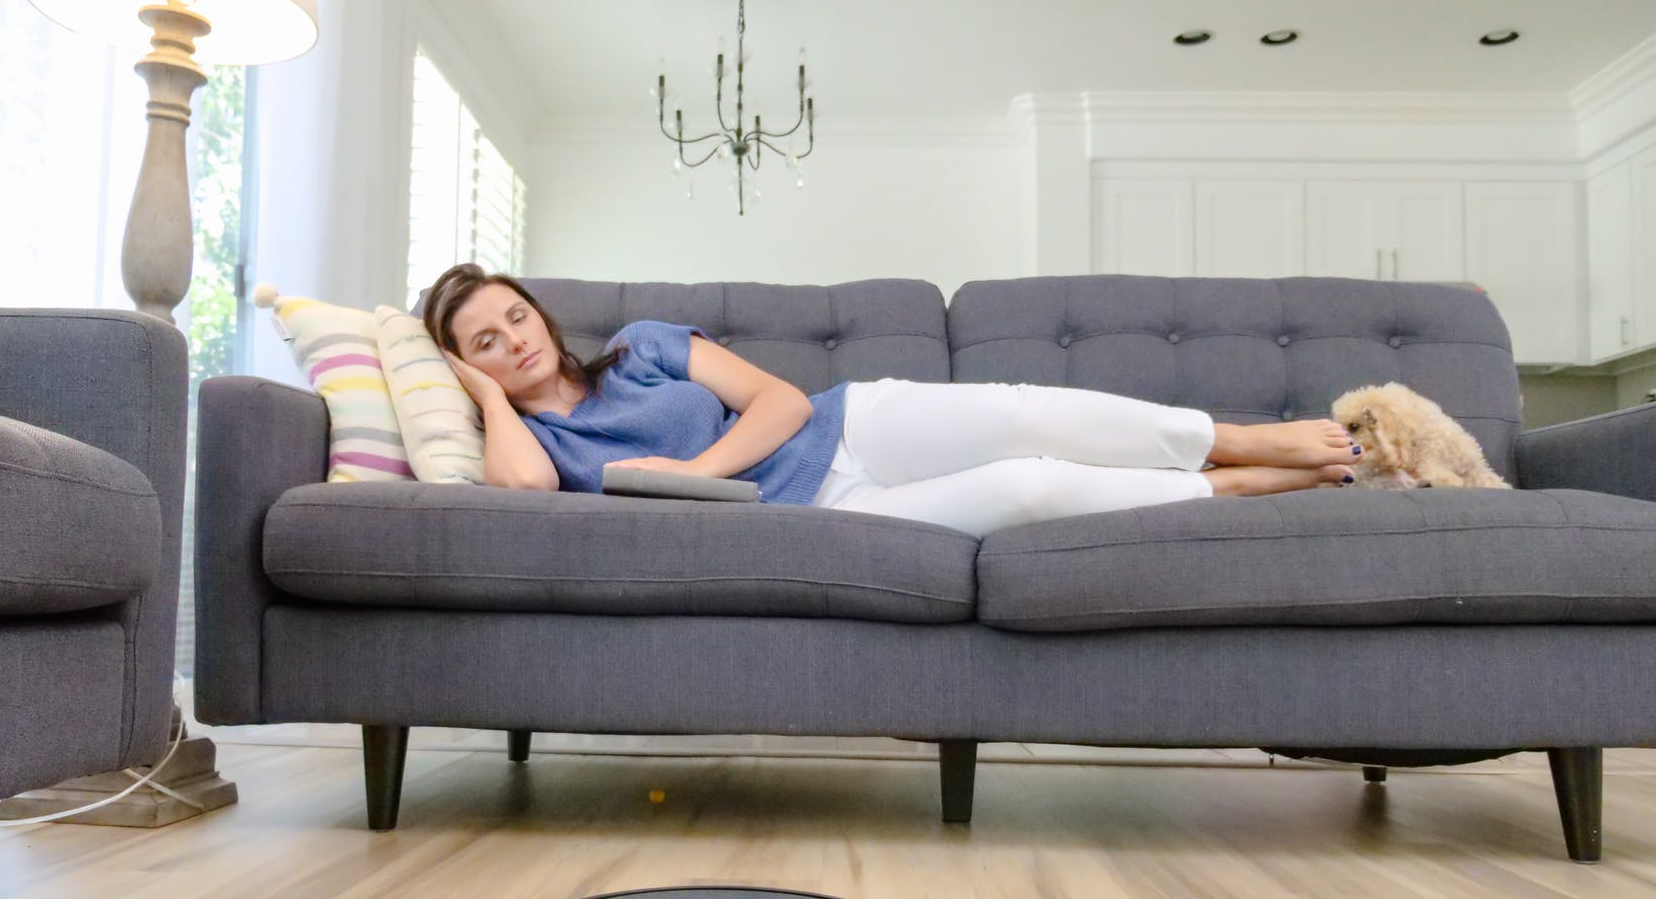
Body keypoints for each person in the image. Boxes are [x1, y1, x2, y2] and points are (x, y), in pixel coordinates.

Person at [419, 264, 1362, 538]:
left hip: (850, 424)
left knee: (1019, 413)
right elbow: (525, 494)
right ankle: (1231, 491)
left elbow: (780, 405)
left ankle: (1236, 439)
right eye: (485, 343)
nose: (515, 340)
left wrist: (695, 472)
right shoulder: (543, 447)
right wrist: (486, 400)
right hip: (830, 513)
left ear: (538, 310)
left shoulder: (643, 351)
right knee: (1030, 490)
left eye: (515, 316)